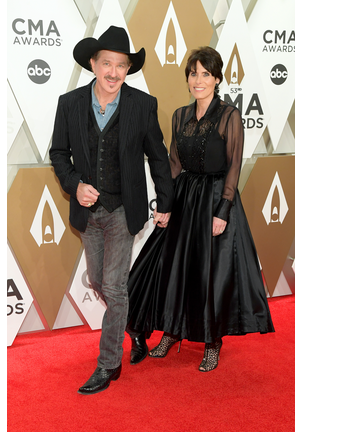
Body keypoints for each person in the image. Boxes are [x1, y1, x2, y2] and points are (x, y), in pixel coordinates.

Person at [126, 46, 275, 372]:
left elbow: (234, 165)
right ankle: (171, 331)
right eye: (193, 73)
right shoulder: (179, 115)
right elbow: (174, 164)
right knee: (174, 270)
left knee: (210, 275)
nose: (198, 80)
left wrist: (223, 209)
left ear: (217, 78)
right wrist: (165, 204)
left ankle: (212, 341)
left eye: (205, 73)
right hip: (184, 199)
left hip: (214, 201)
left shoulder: (229, 116)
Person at [49, 26, 174, 395]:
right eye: (107, 63)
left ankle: (108, 364)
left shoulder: (142, 105)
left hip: (124, 209)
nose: (114, 72)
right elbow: (58, 153)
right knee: (102, 281)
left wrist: (165, 201)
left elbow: (157, 156)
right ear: (93, 63)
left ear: (127, 69)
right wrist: (75, 184)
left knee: (115, 286)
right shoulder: (69, 103)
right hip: (89, 214)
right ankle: (134, 329)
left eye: (121, 65)